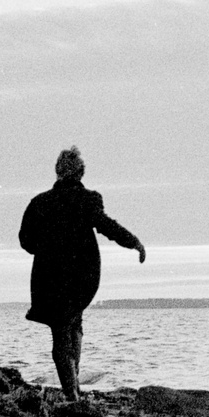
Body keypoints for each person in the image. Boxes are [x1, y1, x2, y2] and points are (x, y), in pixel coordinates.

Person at [19, 147, 145, 400]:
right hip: (82, 275)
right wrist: (134, 242)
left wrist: (46, 250)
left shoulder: (40, 202)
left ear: (57, 171)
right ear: (81, 172)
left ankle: (71, 391)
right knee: (73, 323)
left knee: (61, 328)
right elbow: (107, 226)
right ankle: (73, 390)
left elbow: (25, 240)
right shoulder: (88, 199)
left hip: (49, 275)